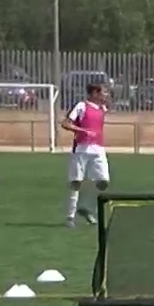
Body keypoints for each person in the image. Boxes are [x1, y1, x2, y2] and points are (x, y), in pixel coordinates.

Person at [61, 81, 110, 227]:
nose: (105, 95)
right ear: (95, 93)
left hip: (98, 149)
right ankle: (70, 217)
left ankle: (86, 207)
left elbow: (108, 105)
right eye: (103, 92)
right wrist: (82, 131)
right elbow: (65, 123)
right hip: (81, 149)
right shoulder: (81, 106)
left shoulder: (103, 108)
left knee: (103, 182)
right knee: (76, 181)